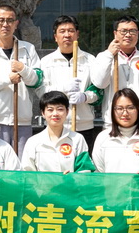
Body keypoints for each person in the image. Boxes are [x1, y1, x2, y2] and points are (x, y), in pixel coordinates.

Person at [0, 5, 42, 153]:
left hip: (22, 119)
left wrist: (23, 69)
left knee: (22, 162)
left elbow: (37, 81)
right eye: (1, 20)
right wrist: (8, 79)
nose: (5, 24)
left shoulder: (28, 49)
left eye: (10, 20)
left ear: (16, 24)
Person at [38, 15, 101, 150]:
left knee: (82, 162)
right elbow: (41, 93)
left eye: (71, 31)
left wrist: (85, 97)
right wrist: (63, 89)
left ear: (77, 34)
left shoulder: (90, 60)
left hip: (83, 124)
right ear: (55, 37)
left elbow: (98, 91)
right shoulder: (46, 62)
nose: (67, 35)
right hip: (55, 124)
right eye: (62, 31)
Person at [92, 16, 139, 125]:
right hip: (113, 123)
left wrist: (131, 101)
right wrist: (109, 55)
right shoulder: (103, 57)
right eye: (123, 31)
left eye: (132, 31)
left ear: (138, 33)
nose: (128, 35)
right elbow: (100, 83)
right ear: (115, 33)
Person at [92, 88, 139, 173]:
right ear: (113, 111)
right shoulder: (103, 138)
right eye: (120, 108)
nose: (125, 113)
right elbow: (98, 172)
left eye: (130, 108)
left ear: (138, 110)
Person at [21, 91, 94, 173]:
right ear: (43, 113)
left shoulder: (77, 139)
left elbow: (84, 170)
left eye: (60, 109)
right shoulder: (33, 142)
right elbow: (27, 172)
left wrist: (71, 177)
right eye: (50, 110)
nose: (55, 114)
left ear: (67, 112)